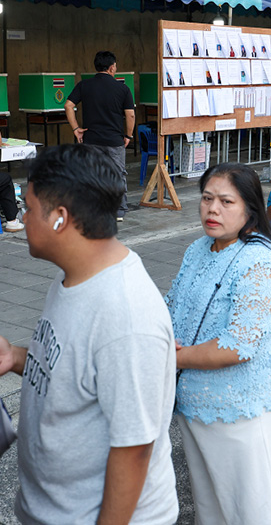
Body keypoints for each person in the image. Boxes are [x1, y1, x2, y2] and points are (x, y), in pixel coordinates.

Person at [0, 145, 177, 524]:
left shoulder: (126, 316)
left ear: (60, 219)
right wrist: (14, 357)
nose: (22, 217)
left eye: (28, 207)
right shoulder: (75, 276)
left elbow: (134, 448)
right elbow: (69, 366)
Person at [167, 163, 271, 523]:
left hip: (239, 410)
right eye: (207, 199)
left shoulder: (261, 262)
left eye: (226, 201)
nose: (213, 209)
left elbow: (238, 346)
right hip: (193, 407)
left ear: (250, 209)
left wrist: (172, 357)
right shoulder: (198, 249)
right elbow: (173, 306)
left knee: (250, 511)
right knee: (210, 508)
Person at [64, 51, 135, 221]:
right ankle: (118, 211)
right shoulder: (122, 88)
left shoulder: (84, 85)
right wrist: (128, 135)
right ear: (111, 68)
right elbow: (130, 115)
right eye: (115, 65)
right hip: (114, 140)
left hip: (91, 139)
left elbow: (68, 106)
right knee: (117, 174)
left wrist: (76, 129)